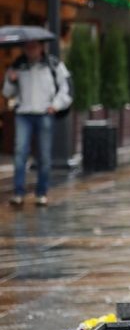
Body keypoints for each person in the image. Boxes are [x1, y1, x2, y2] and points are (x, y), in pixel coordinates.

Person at [3, 40, 72, 207]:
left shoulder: (53, 64)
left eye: (33, 46)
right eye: (27, 47)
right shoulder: (18, 65)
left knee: (44, 155)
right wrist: (11, 80)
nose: (30, 50)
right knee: (20, 153)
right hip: (23, 114)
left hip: (44, 114)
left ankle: (41, 193)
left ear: (41, 47)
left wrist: (55, 105)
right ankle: (18, 193)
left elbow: (67, 88)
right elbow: (6, 92)